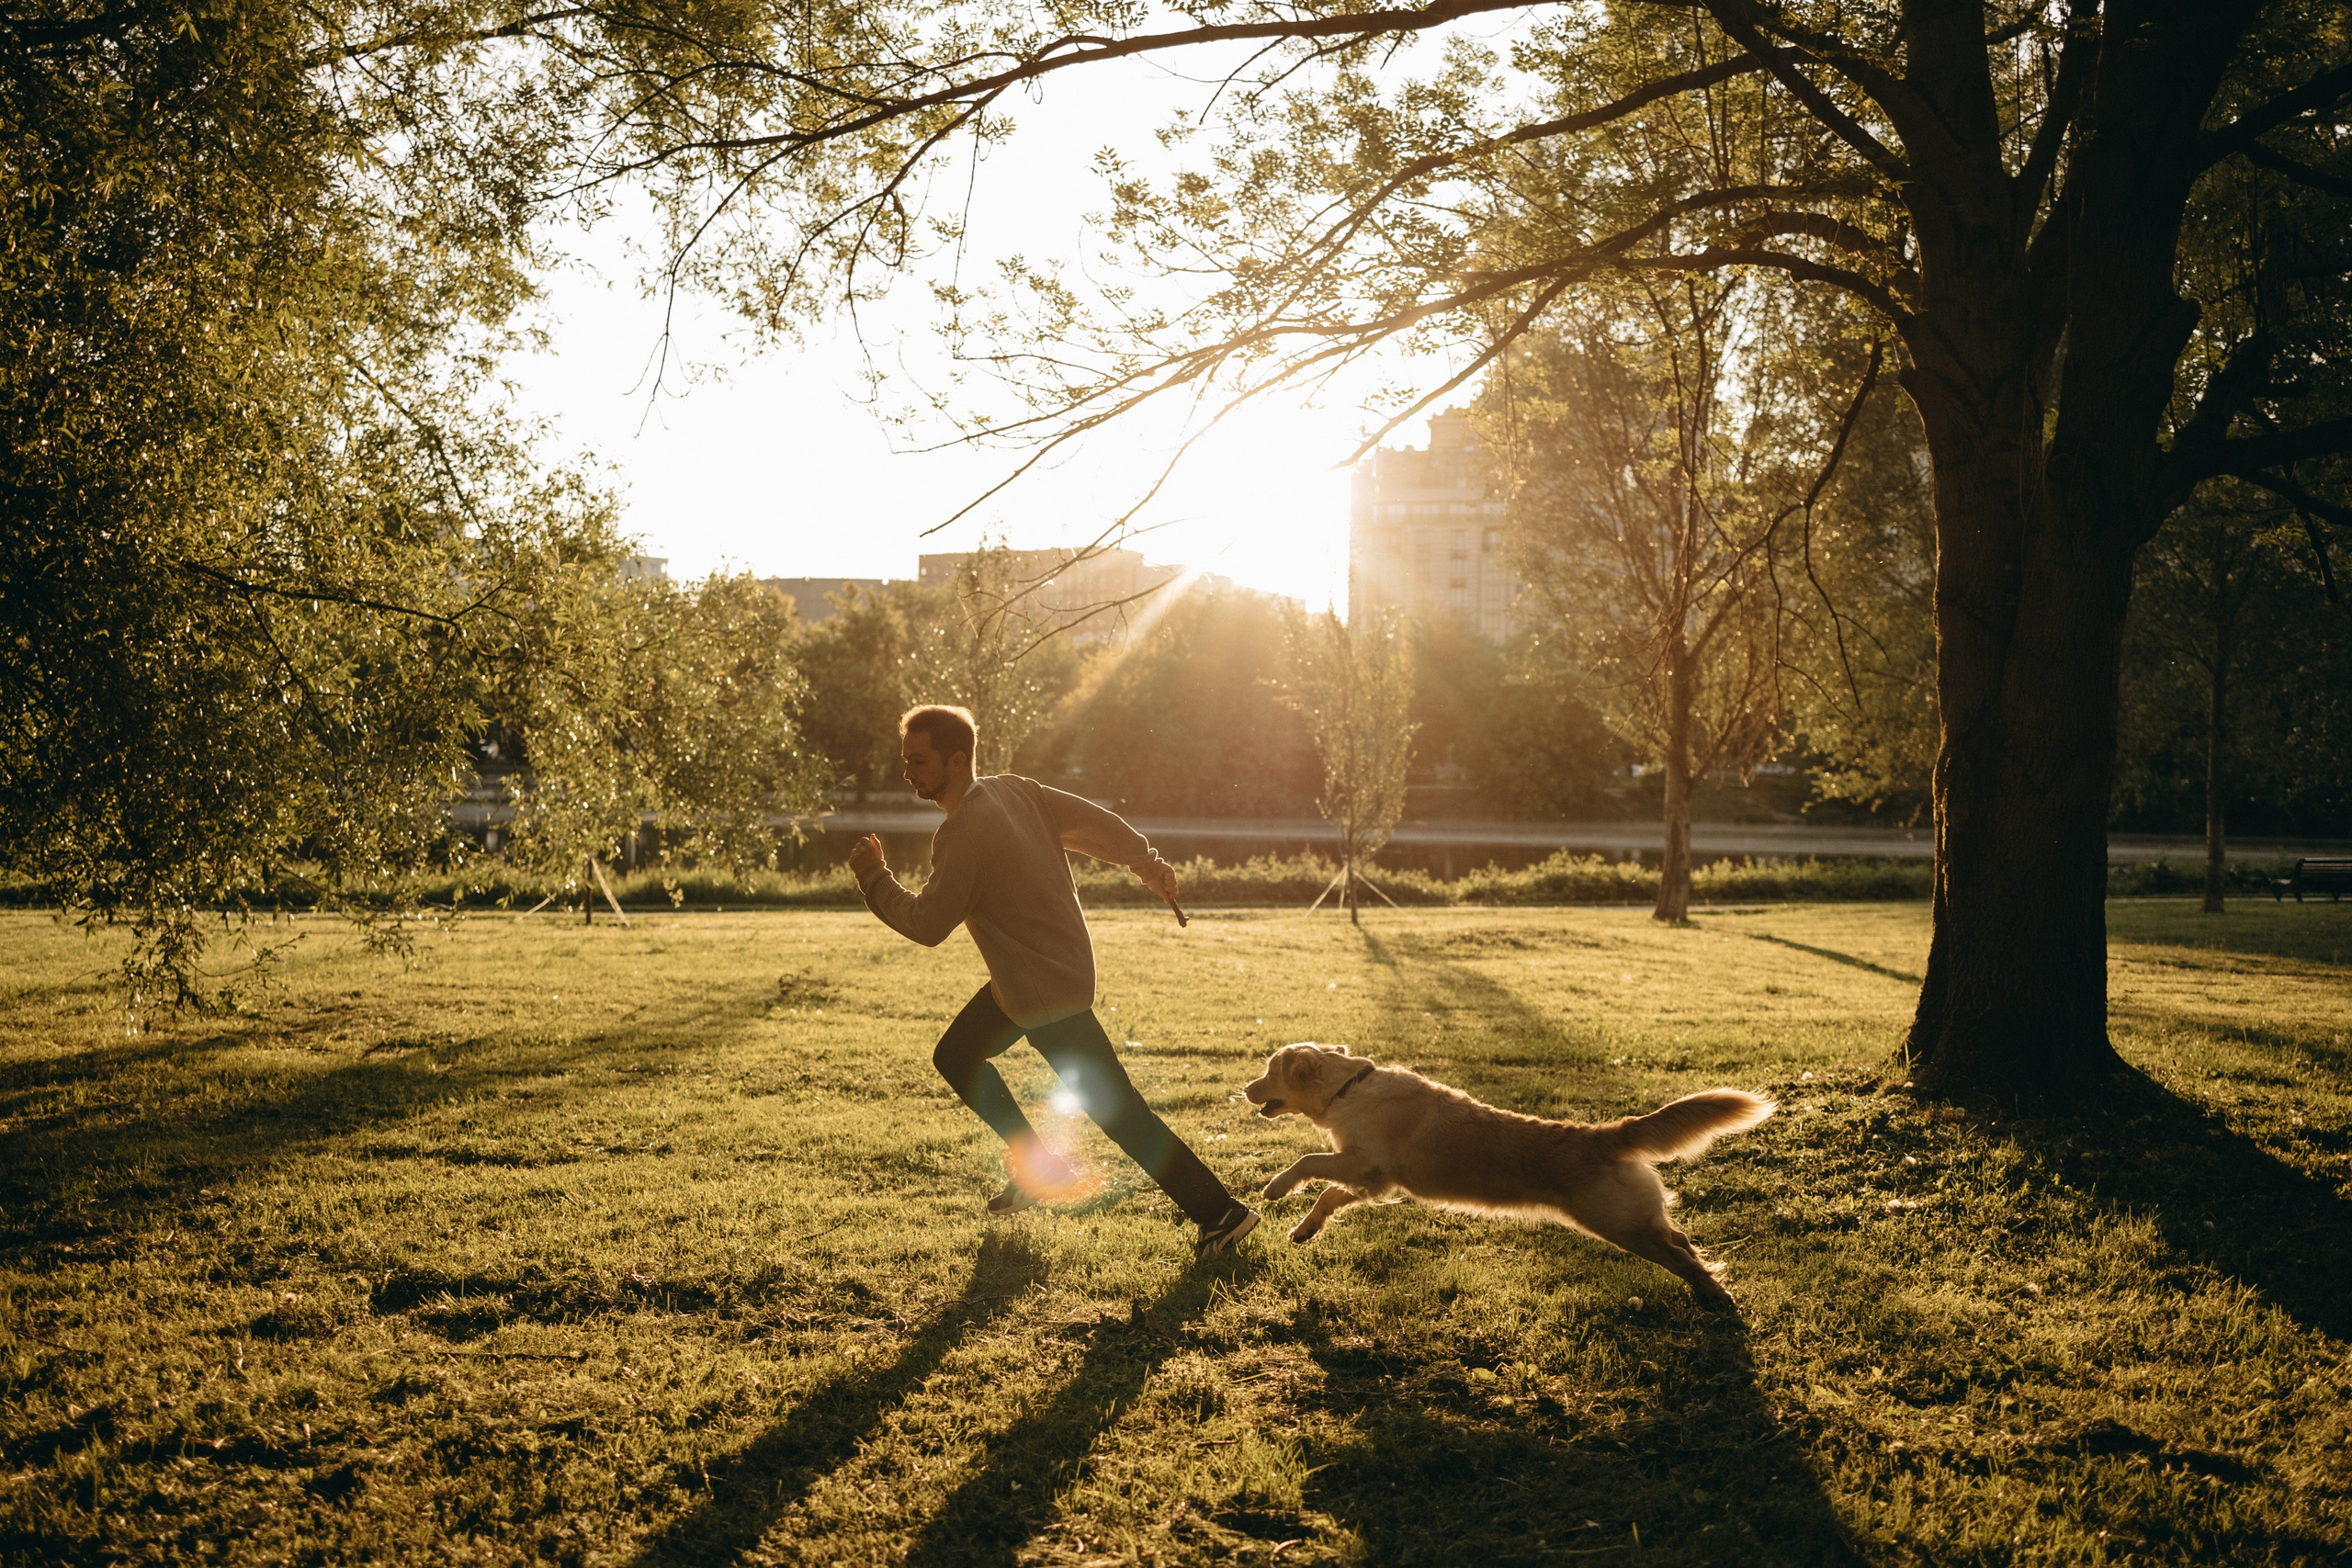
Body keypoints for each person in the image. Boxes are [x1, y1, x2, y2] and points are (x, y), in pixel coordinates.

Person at [846, 704, 1260, 1258]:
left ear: (957, 759)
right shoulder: (1014, 790)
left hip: (1041, 993)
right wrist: (1146, 861)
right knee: (958, 1055)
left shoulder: (961, 833)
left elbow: (927, 924)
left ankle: (1220, 1212)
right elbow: (1096, 824)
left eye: (918, 761)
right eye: (906, 761)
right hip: (1037, 980)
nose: (908, 772)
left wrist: (874, 878)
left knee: (1118, 1111)